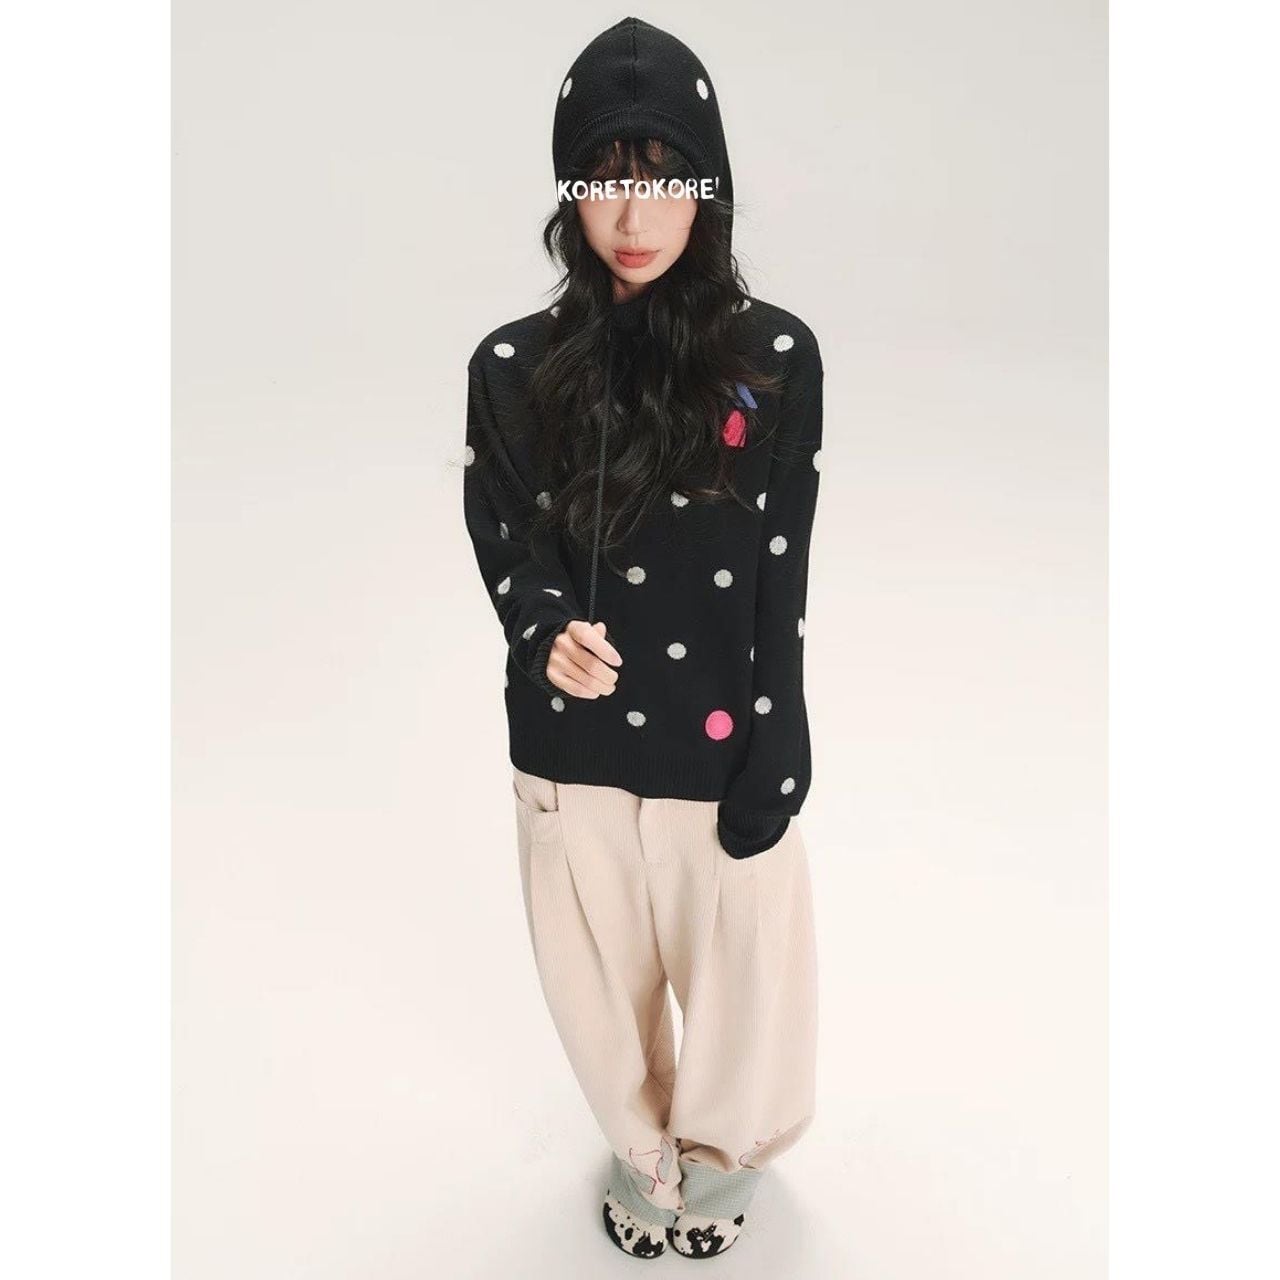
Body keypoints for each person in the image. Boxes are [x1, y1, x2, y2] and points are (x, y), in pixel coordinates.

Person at [462, 17, 824, 1260]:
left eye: (661, 177)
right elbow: (504, 533)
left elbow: (780, 571)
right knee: (595, 982)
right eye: (602, 178)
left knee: (740, 982)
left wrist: (777, 739)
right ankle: (637, 1147)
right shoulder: (512, 366)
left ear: (703, 188)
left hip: (717, 735)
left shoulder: (773, 358)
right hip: (569, 748)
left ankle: (718, 1160)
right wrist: (541, 630)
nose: (631, 214)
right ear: (568, 194)